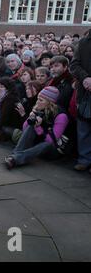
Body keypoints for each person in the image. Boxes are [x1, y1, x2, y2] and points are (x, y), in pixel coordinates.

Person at [5, 87, 69, 169]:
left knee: (47, 144)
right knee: (30, 127)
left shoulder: (61, 116)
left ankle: (15, 158)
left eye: (41, 100)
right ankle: (14, 157)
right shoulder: (40, 109)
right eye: (38, 99)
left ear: (50, 103)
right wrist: (30, 119)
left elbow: (51, 140)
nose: (37, 102)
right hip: (37, 145)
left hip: (54, 149)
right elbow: (25, 130)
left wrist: (38, 127)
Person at [70, 30, 91, 173]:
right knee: (83, 128)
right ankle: (84, 159)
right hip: (85, 93)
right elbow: (74, 65)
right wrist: (85, 78)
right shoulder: (83, 43)